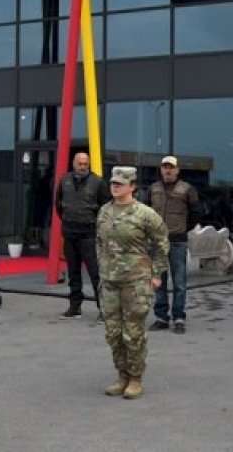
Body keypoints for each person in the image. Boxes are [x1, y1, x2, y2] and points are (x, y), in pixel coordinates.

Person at [97, 166, 169, 400]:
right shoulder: (104, 212)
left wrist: (156, 274)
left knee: (134, 332)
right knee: (113, 332)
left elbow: (161, 244)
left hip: (135, 283)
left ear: (132, 186)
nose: (114, 186)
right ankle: (122, 376)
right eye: (112, 183)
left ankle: (136, 378)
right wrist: (102, 268)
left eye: (120, 183)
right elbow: (100, 242)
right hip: (109, 282)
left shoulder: (145, 214)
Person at [147, 156, 202, 335]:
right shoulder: (153, 189)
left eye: (171, 167)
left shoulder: (187, 189)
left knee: (179, 283)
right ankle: (162, 317)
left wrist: (184, 230)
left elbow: (196, 212)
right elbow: (145, 212)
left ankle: (179, 317)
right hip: (157, 243)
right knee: (159, 282)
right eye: (165, 167)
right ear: (161, 169)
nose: (168, 170)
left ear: (177, 170)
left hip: (178, 241)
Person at [55, 152, 109, 321]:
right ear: (73, 163)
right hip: (70, 233)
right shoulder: (64, 181)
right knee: (73, 272)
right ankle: (75, 307)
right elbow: (59, 205)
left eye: (85, 163)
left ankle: (104, 309)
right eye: (80, 163)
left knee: (95, 273)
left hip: (89, 234)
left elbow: (105, 208)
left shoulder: (98, 182)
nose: (82, 166)